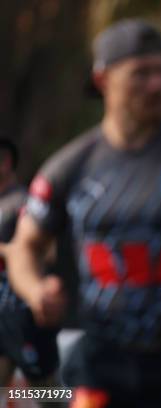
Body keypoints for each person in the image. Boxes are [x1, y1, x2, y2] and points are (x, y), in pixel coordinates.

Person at [5, 19, 161, 407]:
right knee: (39, 392)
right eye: (141, 73)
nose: (156, 84)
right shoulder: (71, 165)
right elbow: (24, 247)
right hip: (103, 355)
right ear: (103, 79)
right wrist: (36, 289)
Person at [0, 138, 60, 401]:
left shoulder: (23, 203)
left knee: (47, 393)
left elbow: (48, 253)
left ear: (6, 162)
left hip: (24, 314)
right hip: (1, 317)